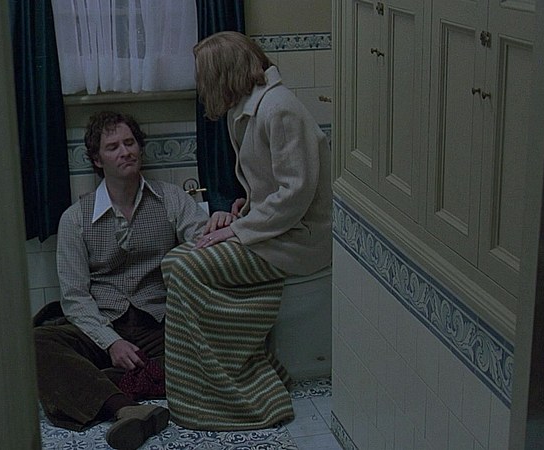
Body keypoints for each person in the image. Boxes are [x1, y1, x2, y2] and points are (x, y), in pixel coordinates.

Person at [160, 31, 332, 431]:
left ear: (224, 73)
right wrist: (244, 206)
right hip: (274, 231)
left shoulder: (279, 109)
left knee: (185, 268)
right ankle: (227, 377)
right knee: (174, 262)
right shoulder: (248, 108)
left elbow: (296, 193)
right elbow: (275, 184)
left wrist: (238, 230)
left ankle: (238, 391)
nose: (200, 85)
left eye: (204, 75)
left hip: (299, 239)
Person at [33, 111, 208, 449]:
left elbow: (202, 240)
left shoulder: (171, 198)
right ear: (97, 160)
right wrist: (110, 342)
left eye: (130, 143)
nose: (125, 152)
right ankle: (126, 408)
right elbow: (75, 297)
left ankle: (100, 385)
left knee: (207, 352)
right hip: (102, 325)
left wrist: (224, 222)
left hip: (158, 323)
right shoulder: (75, 218)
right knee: (38, 342)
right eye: (113, 147)